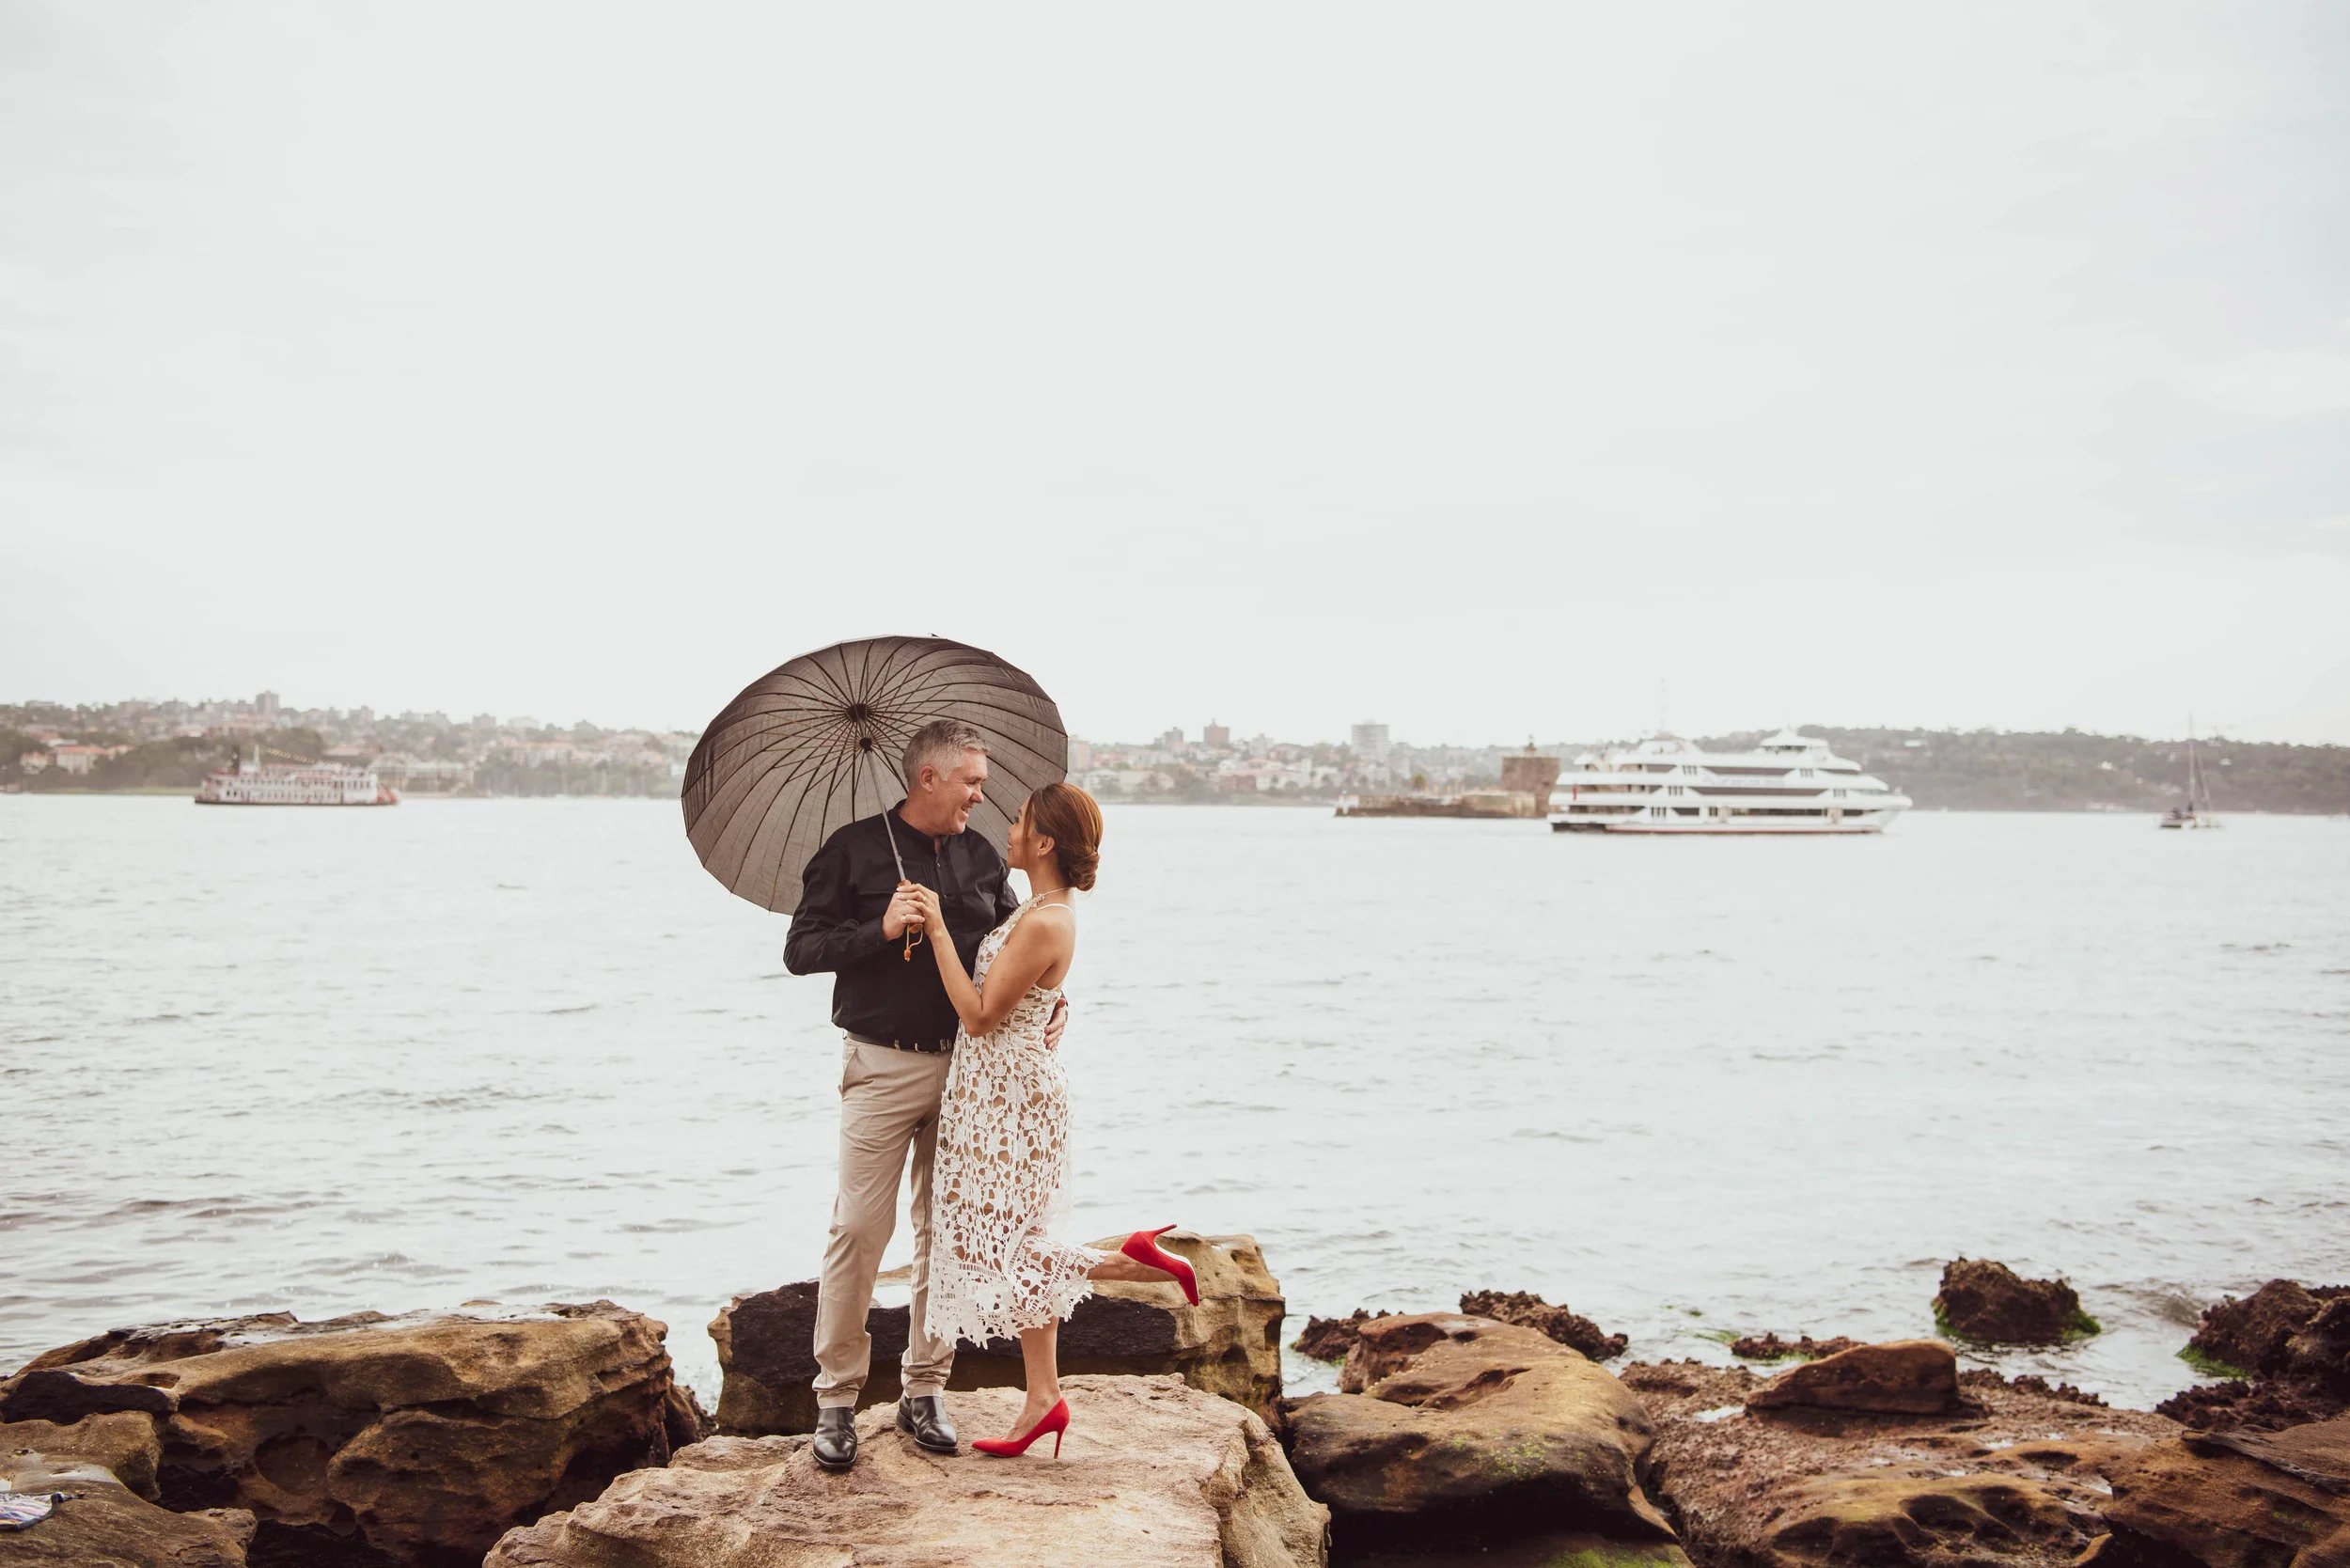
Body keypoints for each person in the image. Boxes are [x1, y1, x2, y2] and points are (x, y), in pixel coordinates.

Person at [783, 718, 1065, 1472]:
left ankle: (924, 1388)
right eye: (972, 780)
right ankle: (837, 1400)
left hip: (971, 1071)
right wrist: (878, 927)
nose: (982, 794)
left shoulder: (978, 856)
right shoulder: (850, 849)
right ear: (928, 778)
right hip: (879, 1066)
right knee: (859, 1232)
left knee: (947, 1232)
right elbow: (800, 951)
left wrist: (1050, 1004)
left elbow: (1012, 942)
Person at [906, 780, 1197, 1459]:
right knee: (1015, 1238)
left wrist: (942, 930)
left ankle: (1127, 1259)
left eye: (1018, 821)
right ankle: (1043, 1397)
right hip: (1003, 1090)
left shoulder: (1047, 919)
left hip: (1008, 1099)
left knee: (991, 1249)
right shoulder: (1040, 909)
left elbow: (979, 1017)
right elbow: (1028, 995)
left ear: (1043, 843)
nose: (1006, 829)